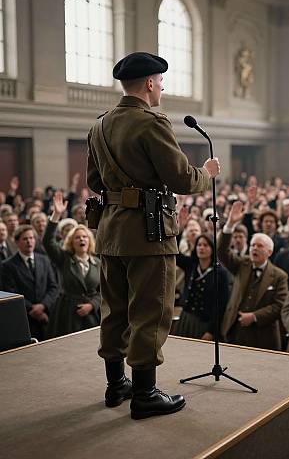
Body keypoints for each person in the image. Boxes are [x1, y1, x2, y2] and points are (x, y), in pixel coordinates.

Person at [87, 52, 219, 420]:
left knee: (113, 310)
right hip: (148, 233)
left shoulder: (99, 126)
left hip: (111, 232)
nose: (162, 86)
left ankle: (116, 385)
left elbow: (94, 182)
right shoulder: (152, 123)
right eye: (160, 80)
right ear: (149, 82)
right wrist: (206, 172)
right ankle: (144, 392)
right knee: (149, 312)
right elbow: (181, 178)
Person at [219, 201, 288, 350]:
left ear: (269, 252)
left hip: (263, 336)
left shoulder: (279, 276)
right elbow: (221, 252)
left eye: (260, 246)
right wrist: (230, 225)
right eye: (252, 245)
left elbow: (279, 305)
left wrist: (254, 316)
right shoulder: (242, 264)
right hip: (235, 331)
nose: (254, 249)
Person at [43, 192, 101, 338]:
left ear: (89, 241)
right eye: (77, 237)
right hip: (67, 313)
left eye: (84, 237)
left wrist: (92, 305)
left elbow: (105, 291)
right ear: (71, 242)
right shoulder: (64, 258)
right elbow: (47, 242)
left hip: (92, 315)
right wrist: (56, 215)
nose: (81, 239)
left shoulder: (98, 262)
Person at [1, 225, 59, 340]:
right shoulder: (7, 265)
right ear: (17, 242)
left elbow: (53, 287)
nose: (29, 242)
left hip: (47, 316)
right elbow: (11, 292)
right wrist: (33, 309)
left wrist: (43, 306)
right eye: (25, 239)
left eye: (32, 238)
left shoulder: (44, 260)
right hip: (24, 317)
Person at [174, 232, 229, 340]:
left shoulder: (220, 273)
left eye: (205, 245)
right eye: (199, 245)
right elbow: (175, 254)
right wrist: (179, 230)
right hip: (186, 319)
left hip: (205, 323)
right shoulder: (191, 265)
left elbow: (221, 305)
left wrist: (211, 331)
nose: (201, 248)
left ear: (212, 248)